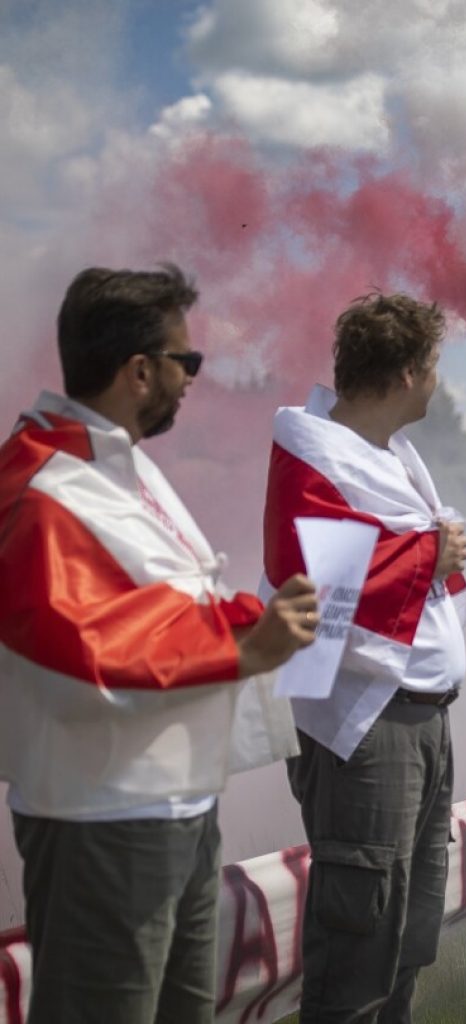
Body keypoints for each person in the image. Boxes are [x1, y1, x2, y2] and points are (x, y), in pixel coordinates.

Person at [0, 264, 318, 1024]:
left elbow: (165, 601)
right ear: (140, 370)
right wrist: (243, 645)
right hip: (104, 821)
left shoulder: (111, 465)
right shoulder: (45, 484)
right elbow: (76, 642)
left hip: (169, 806)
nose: (192, 379)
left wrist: (258, 618)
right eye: (188, 361)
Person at [263, 292, 466, 1024]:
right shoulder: (313, 449)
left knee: (407, 934)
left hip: (420, 717)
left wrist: (430, 556)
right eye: (436, 366)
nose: (438, 383)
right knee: (360, 942)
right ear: (409, 372)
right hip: (367, 722)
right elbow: (309, 576)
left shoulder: (386, 456)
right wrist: (429, 551)